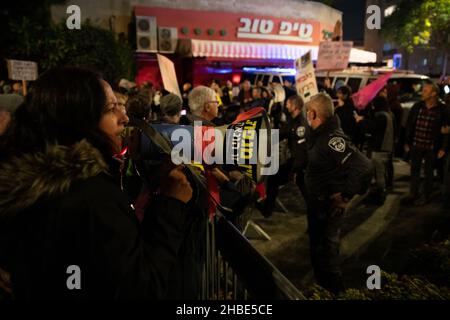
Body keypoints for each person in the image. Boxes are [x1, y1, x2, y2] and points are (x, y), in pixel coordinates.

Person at [0, 67, 193, 299]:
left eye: (120, 106)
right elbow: (142, 289)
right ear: (80, 121)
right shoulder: (93, 197)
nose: (124, 118)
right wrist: (171, 206)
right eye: (112, 109)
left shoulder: (32, 185)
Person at [305, 93, 373, 294]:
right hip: (317, 204)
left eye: (308, 110)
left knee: (328, 256)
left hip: (328, 206)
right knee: (319, 253)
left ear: (313, 113)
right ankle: (323, 291)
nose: (307, 114)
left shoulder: (332, 138)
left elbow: (364, 167)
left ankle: (336, 293)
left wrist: (345, 196)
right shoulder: (320, 134)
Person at [257, 95, 310, 217]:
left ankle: (317, 216)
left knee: (306, 190)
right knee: (274, 178)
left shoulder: (300, 125)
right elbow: (280, 134)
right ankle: (267, 209)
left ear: (295, 106)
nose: (286, 106)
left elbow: (301, 151)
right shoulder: (293, 121)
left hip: (300, 165)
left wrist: (296, 170)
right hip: (296, 162)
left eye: (288, 103)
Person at [404, 83, 449, 206]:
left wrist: (443, 148)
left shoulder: (443, 109)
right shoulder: (417, 106)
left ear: (433, 93)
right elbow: (409, 125)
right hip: (416, 144)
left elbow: (446, 130)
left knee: (428, 172)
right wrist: (407, 141)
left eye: (425, 91)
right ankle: (413, 193)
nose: (422, 93)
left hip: (431, 146)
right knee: (415, 170)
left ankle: (425, 195)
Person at [356, 96, 395, 204]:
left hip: (379, 148)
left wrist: (360, 121)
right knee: (381, 172)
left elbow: (371, 128)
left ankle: (379, 196)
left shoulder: (381, 116)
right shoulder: (389, 115)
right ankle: (380, 193)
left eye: (374, 104)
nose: (372, 106)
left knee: (379, 173)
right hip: (387, 147)